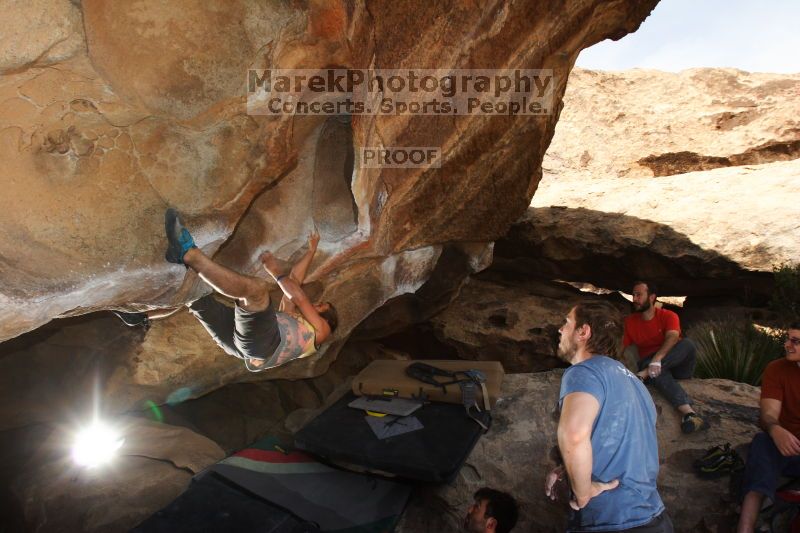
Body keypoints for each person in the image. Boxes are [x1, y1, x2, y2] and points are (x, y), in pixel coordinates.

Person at [546, 300, 672, 532]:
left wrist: (584, 493)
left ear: (583, 332)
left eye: (567, 323)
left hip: (610, 519)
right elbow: (623, 449)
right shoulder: (636, 384)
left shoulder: (583, 372)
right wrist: (570, 469)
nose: (561, 329)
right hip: (653, 517)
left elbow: (574, 435)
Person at [163, 208, 337, 372]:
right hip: (246, 342)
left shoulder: (322, 331)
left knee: (257, 293)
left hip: (264, 344)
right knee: (196, 297)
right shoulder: (292, 321)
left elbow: (299, 297)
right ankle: (142, 317)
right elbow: (294, 283)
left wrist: (274, 271)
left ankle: (186, 252)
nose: (316, 304)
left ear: (327, 319)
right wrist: (311, 251)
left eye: (321, 306)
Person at [736, 323, 800, 533]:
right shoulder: (777, 368)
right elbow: (769, 414)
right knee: (763, 443)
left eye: (795, 341)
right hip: (785, 447)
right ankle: (745, 528)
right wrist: (775, 430)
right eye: (788, 338)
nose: (787, 345)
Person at [623, 281, 707, 434]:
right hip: (653, 367)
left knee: (687, 344)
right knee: (657, 372)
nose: (634, 299)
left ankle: (647, 372)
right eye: (633, 295)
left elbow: (673, 337)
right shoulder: (630, 322)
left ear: (652, 297)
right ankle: (690, 414)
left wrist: (657, 360)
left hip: (676, 364)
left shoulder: (668, 316)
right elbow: (619, 346)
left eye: (639, 295)